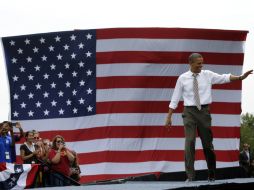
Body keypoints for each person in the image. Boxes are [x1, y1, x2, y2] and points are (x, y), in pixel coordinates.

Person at [165, 53, 253, 182]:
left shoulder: (207, 75)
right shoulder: (182, 78)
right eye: (199, 63)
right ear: (191, 63)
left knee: (207, 145)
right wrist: (169, 116)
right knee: (189, 142)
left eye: (202, 62)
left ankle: (211, 173)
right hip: (189, 112)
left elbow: (224, 78)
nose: (202, 65)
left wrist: (240, 77)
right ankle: (190, 176)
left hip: (204, 112)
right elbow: (175, 97)